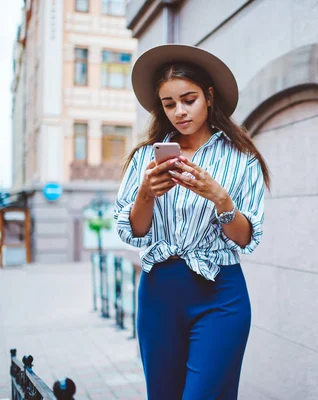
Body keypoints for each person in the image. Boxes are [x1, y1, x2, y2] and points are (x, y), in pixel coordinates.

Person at [114, 44, 269, 400]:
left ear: (209, 96)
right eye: (169, 104)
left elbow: (247, 238)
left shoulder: (242, 160)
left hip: (220, 294)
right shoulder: (144, 159)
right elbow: (132, 232)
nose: (180, 112)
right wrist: (146, 194)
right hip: (159, 294)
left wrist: (219, 197)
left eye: (189, 99)